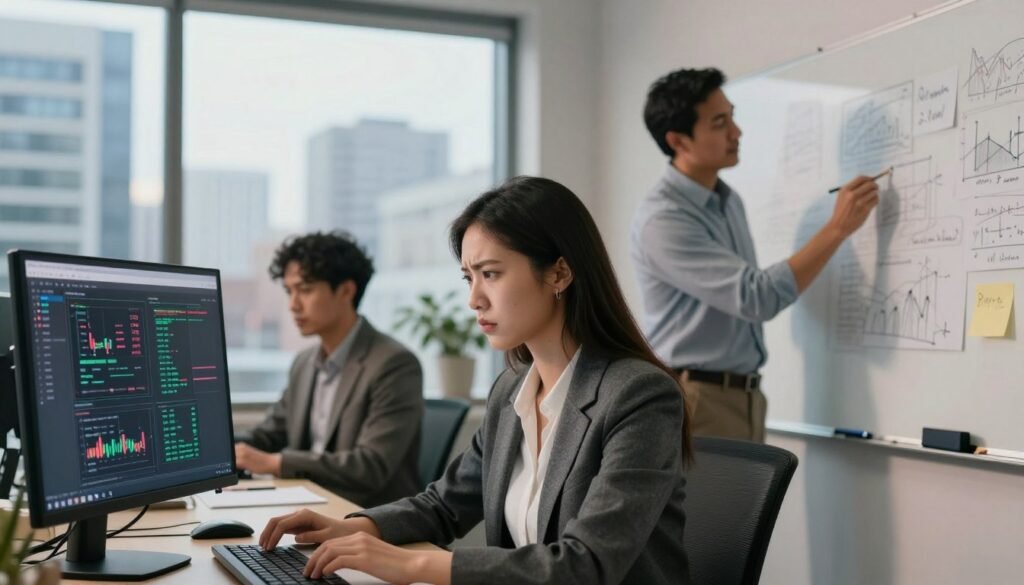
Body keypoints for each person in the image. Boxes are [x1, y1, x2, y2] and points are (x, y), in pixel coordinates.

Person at [260, 177, 692, 585]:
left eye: (491, 274)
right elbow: (445, 505)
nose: (474, 299)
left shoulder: (639, 396)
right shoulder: (511, 392)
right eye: (469, 278)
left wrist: (413, 564)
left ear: (559, 274)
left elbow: (586, 566)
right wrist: (353, 527)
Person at [631, 67, 881, 442]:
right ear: (678, 140)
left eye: (732, 117)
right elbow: (756, 297)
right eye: (720, 123)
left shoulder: (729, 201)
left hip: (742, 397)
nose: (737, 132)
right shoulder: (664, 219)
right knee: (707, 505)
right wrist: (837, 229)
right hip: (697, 399)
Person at [235, 231, 424, 508]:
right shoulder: (304, 362)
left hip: (368, 518)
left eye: (305, 290)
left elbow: (370, 465)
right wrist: (221, 450)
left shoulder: (394, 364)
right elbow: (269, 434)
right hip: (309, 506)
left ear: (347, 290)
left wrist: (275, 462)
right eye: (289, 291)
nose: (293, 305)